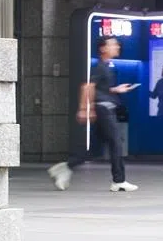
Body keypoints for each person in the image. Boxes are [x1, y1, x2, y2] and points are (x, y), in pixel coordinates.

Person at [48, 36, 139, 192]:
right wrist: (84, 109)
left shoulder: (108, 66)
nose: (117, 46)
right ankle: (119, 181)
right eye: (113, 44)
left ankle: (65, 168)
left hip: (105, 108)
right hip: (104, 110)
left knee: (92, 149)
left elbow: (100, 89)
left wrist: (116, 90)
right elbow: (88, 87)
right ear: (103, 48)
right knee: (116, 143)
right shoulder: (100, 66)